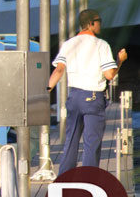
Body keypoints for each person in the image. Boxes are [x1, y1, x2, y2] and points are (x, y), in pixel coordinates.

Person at [47, 9, 127, 176]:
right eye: (99, 21)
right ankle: (89, 181)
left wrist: (47, 89)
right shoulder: (101, 45)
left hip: (74, 96)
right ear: (91, 23)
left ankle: (64, 178)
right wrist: (120, 60)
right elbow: (109, 75)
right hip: (93, 97)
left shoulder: (69, 44)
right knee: (91, 142)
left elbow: (59, 70)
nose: (100, 25)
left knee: (71, 140)